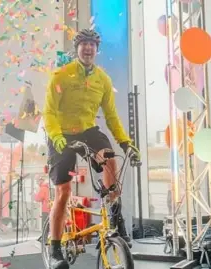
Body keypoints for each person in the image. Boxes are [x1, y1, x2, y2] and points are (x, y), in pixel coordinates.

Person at [43, 29, 141, 269]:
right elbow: (49, 112)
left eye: (92, 45)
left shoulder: (103, 80)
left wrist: (125, 142)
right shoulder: (61, 75)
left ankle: (113, 214)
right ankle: (55, 249)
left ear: (97, 50)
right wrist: (56, 136)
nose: (88, 48)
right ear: (77, 48)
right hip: (61, 134)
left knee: (109, 158)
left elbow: (111, 117)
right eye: (84, 44)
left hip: (87, 130)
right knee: (63, 192)